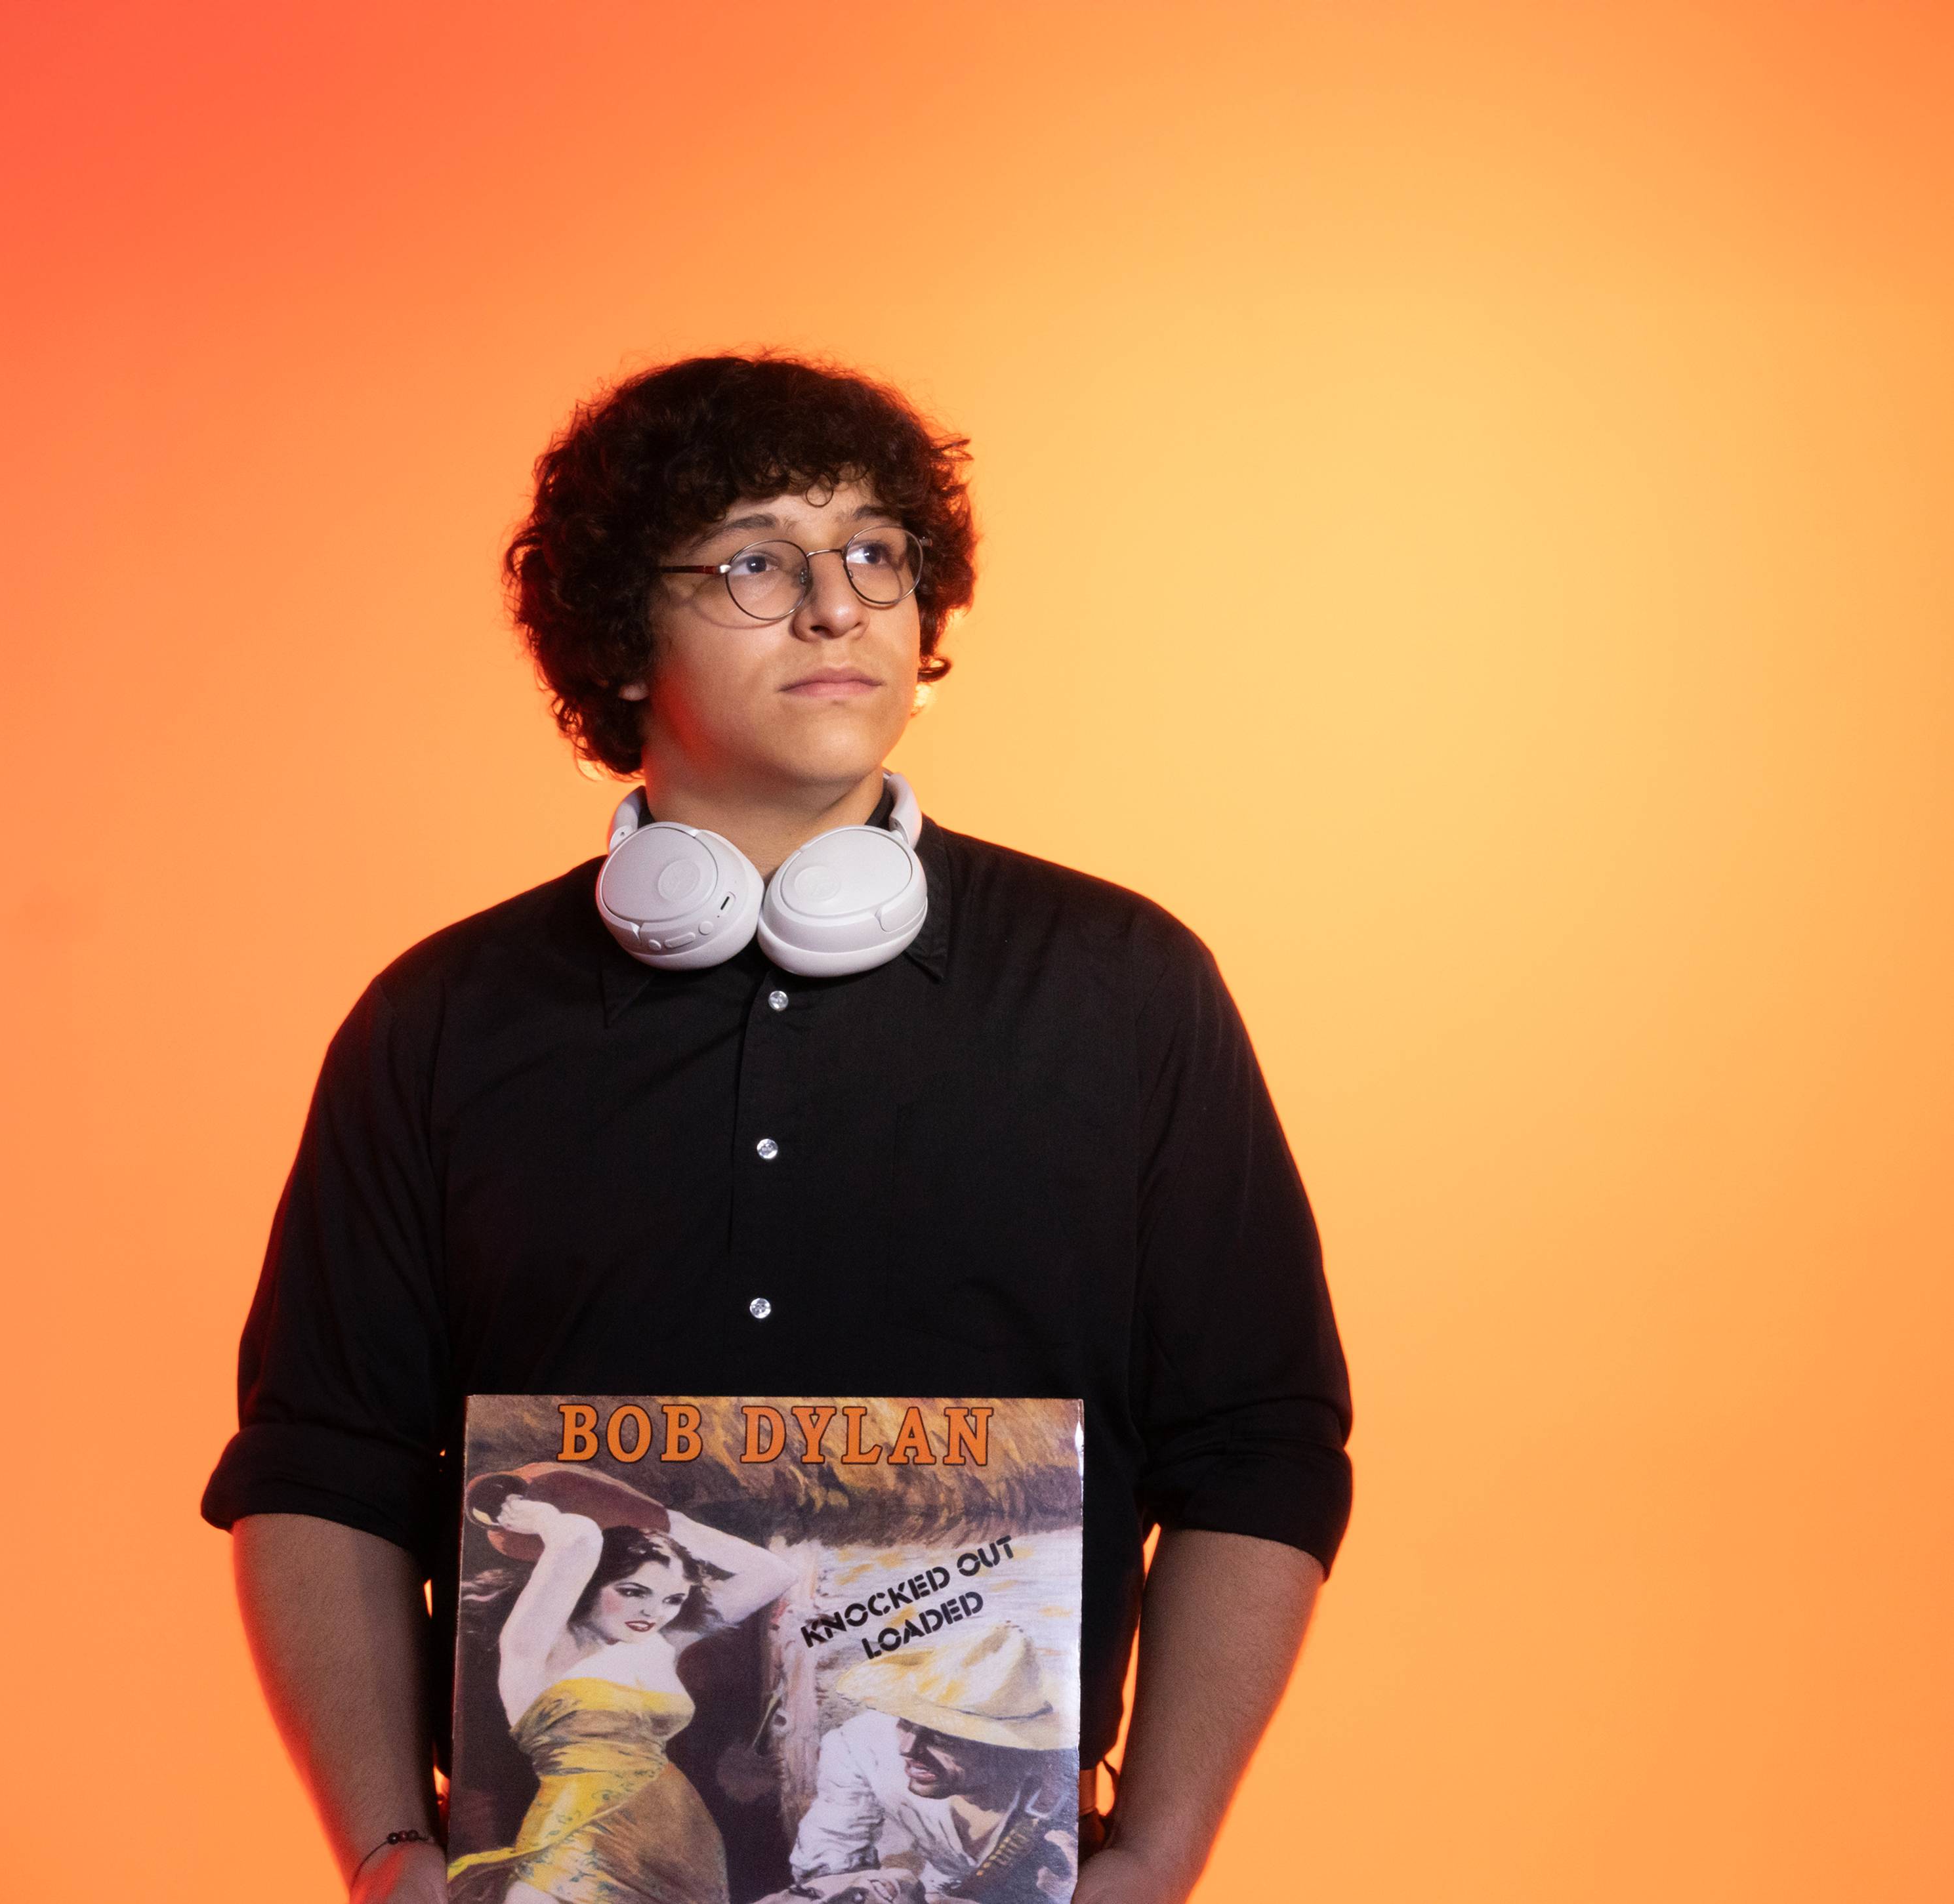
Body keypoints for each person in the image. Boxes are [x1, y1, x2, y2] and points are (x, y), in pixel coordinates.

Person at [202, 352, 1354, 1904]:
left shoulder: (1126, 990)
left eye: (876, 553)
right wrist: (383, 1855)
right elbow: (320, 1462)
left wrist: (1157, 1852)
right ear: (619, 641)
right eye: (755, 558)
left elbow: (1259, 1450)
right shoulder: (440, 1021)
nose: (838, 606)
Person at [445, 1497, 793, 1904]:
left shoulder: (662, 1644)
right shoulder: (535, 1646)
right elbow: (579, 1539)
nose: (653, 1612)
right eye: (632, 1591)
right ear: (592, 1581)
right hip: (576, 1841)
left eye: (673, 1600)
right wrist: (543, 1517)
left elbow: (772, 1573)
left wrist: (664, 1520)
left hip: (684, 1851)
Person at [757, 1623, 1079, 1904]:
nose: (907, 1749)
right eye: (906, 1722)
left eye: (944, 1737)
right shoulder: (861, 1745)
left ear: (1006, 1746)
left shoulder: (1065, 1790)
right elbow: (829, 1858)